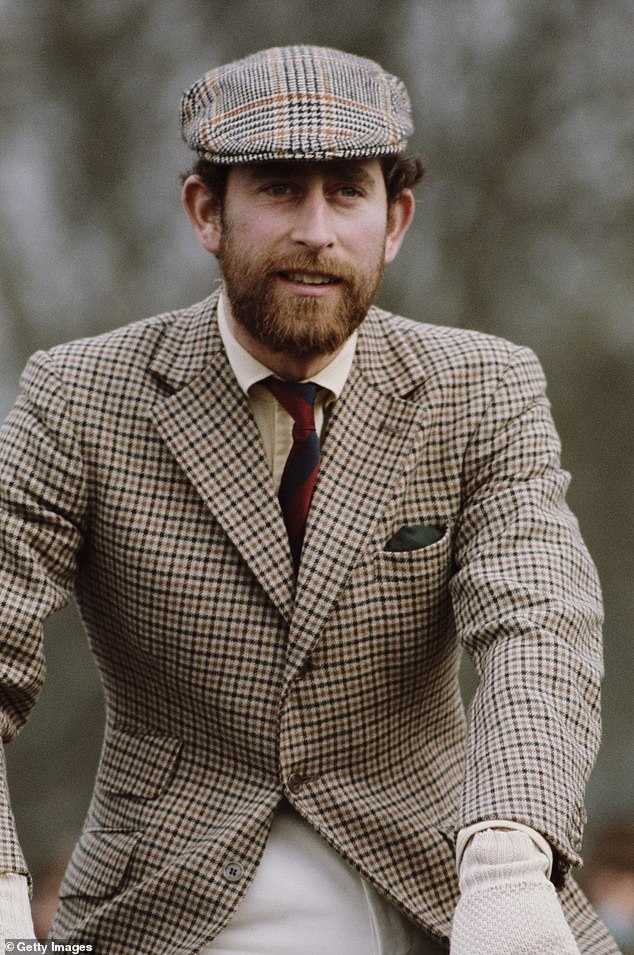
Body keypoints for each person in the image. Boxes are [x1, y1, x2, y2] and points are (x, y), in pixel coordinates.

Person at [0, 44, 621, 955]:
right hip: (156, 910)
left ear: (396, 219)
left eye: (347, 192)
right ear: (206, 211)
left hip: (440, 890)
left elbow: (540, 624)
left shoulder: (484, 389)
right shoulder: (79, 395)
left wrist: (508, 858)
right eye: (281, 189)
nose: (317, 230)